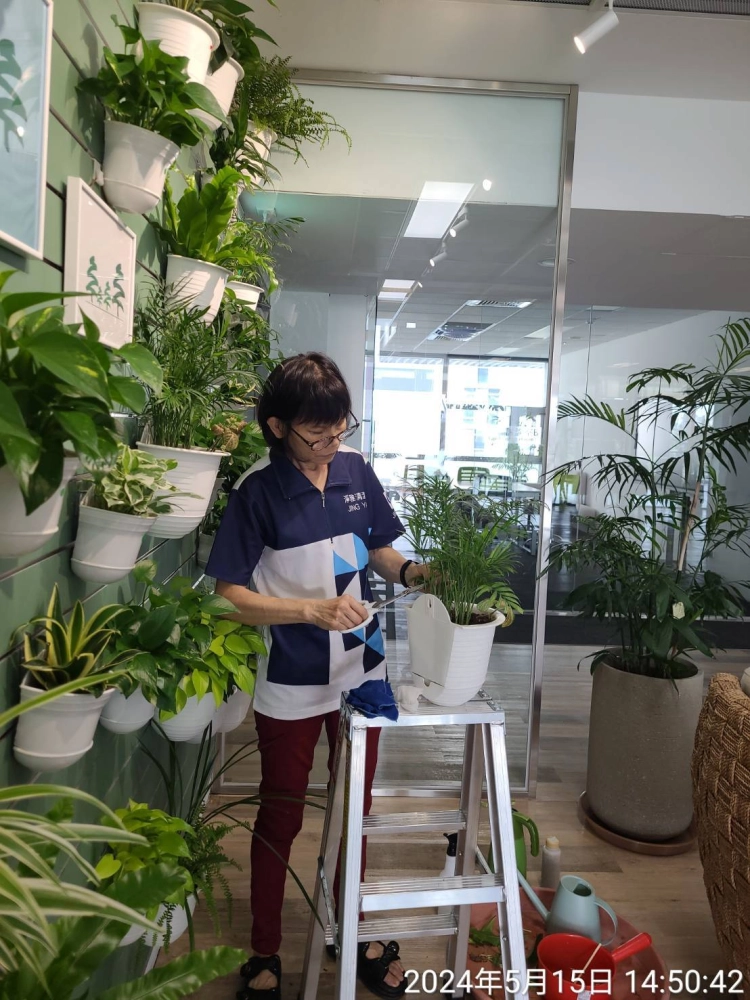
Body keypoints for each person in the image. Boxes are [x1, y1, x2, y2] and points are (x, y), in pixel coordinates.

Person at [205, 352, 425, 1000]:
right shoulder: (256, 491)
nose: (331, 441)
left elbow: (379, 549)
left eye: (339, 426)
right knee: (282, 815)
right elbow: (227, 596)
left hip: (364, 668)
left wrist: (414, 572)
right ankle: (265, 950)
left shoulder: (355, 469)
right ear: (277, 427)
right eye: (316, 431)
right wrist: (308, 610)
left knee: (356, 809)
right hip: (294, 677)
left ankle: (350, 931)